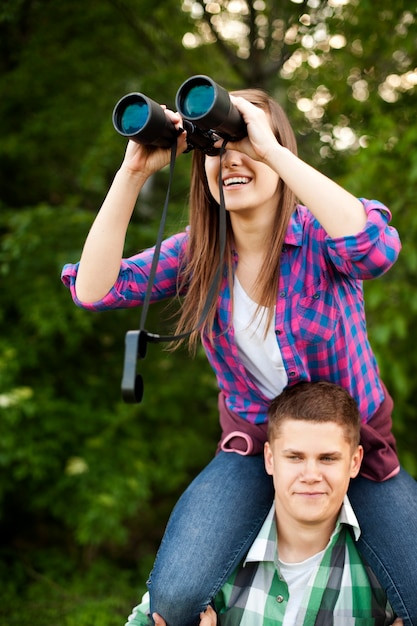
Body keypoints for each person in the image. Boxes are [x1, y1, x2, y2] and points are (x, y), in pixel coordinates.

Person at [61, 83, 417, 625]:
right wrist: (132, 173)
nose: (230, 159)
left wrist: (267, 146)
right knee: (175, 601)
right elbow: (93, 289)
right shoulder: (196, 256)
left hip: (353, 444)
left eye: (242, 143)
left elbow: (375, 247)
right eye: (216, 150)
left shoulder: (320, 233)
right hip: (254, 444)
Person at [125, 382, 403, 625]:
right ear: (270, 458)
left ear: (354, 462)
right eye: (294, 457)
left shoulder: (388, 571)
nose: (310, 476)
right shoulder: (213, 557)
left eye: (327, 458)